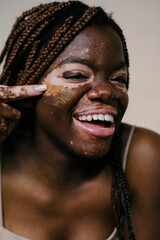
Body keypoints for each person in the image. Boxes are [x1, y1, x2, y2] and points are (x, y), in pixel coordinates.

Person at [0, 1, 159, 240]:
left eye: (118, 79)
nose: (107, 92)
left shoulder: (143, 158)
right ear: (26, 83)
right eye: (76, 75)